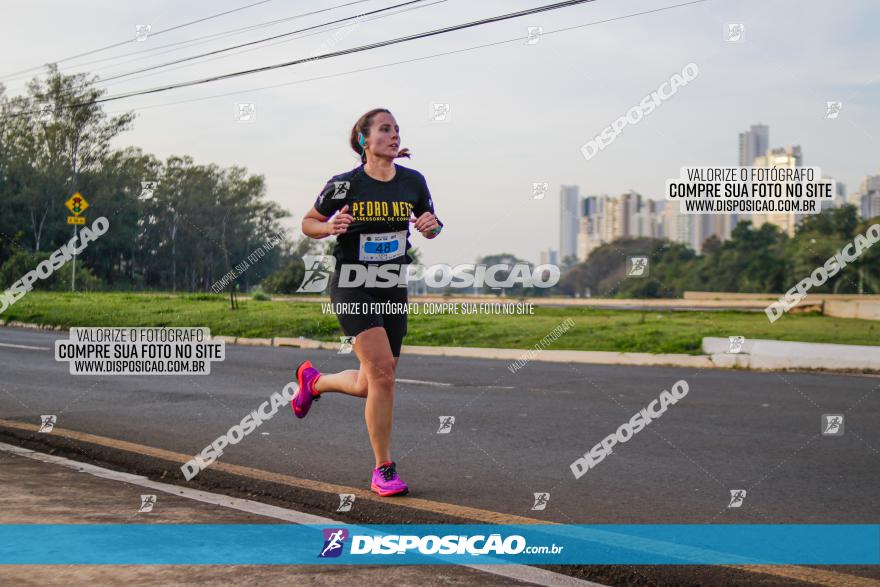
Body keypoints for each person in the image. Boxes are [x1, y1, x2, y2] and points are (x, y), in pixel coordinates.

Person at [293, 108, 442, 497]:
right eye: (385, 129)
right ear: (364, 139)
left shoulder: (413, 181)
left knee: (373, 380)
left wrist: (431, 227)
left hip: (392, 283)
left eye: (397, 130)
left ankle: (314, 381)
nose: (394, 136)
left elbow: (431, 222)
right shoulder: (344, 185)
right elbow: (309, 221)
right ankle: (383, 469)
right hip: (352, 282)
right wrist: (328, 227)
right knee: (382, 374)